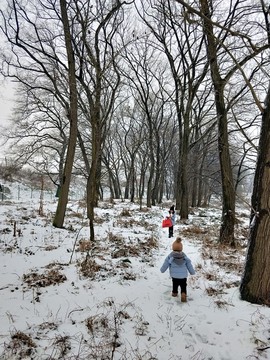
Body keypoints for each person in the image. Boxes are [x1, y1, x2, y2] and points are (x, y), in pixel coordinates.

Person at [160, 237, 195, 302]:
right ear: (181, 248)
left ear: (173, 248)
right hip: (183, 276)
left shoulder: (170, 256)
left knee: (175, 284)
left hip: (174, 275)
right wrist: (192, 272)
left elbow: (166, 263)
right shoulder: (184, 256)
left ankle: (174, 293)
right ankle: (183, 293)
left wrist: (162, 270)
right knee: (183, 285)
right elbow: (189, 265)